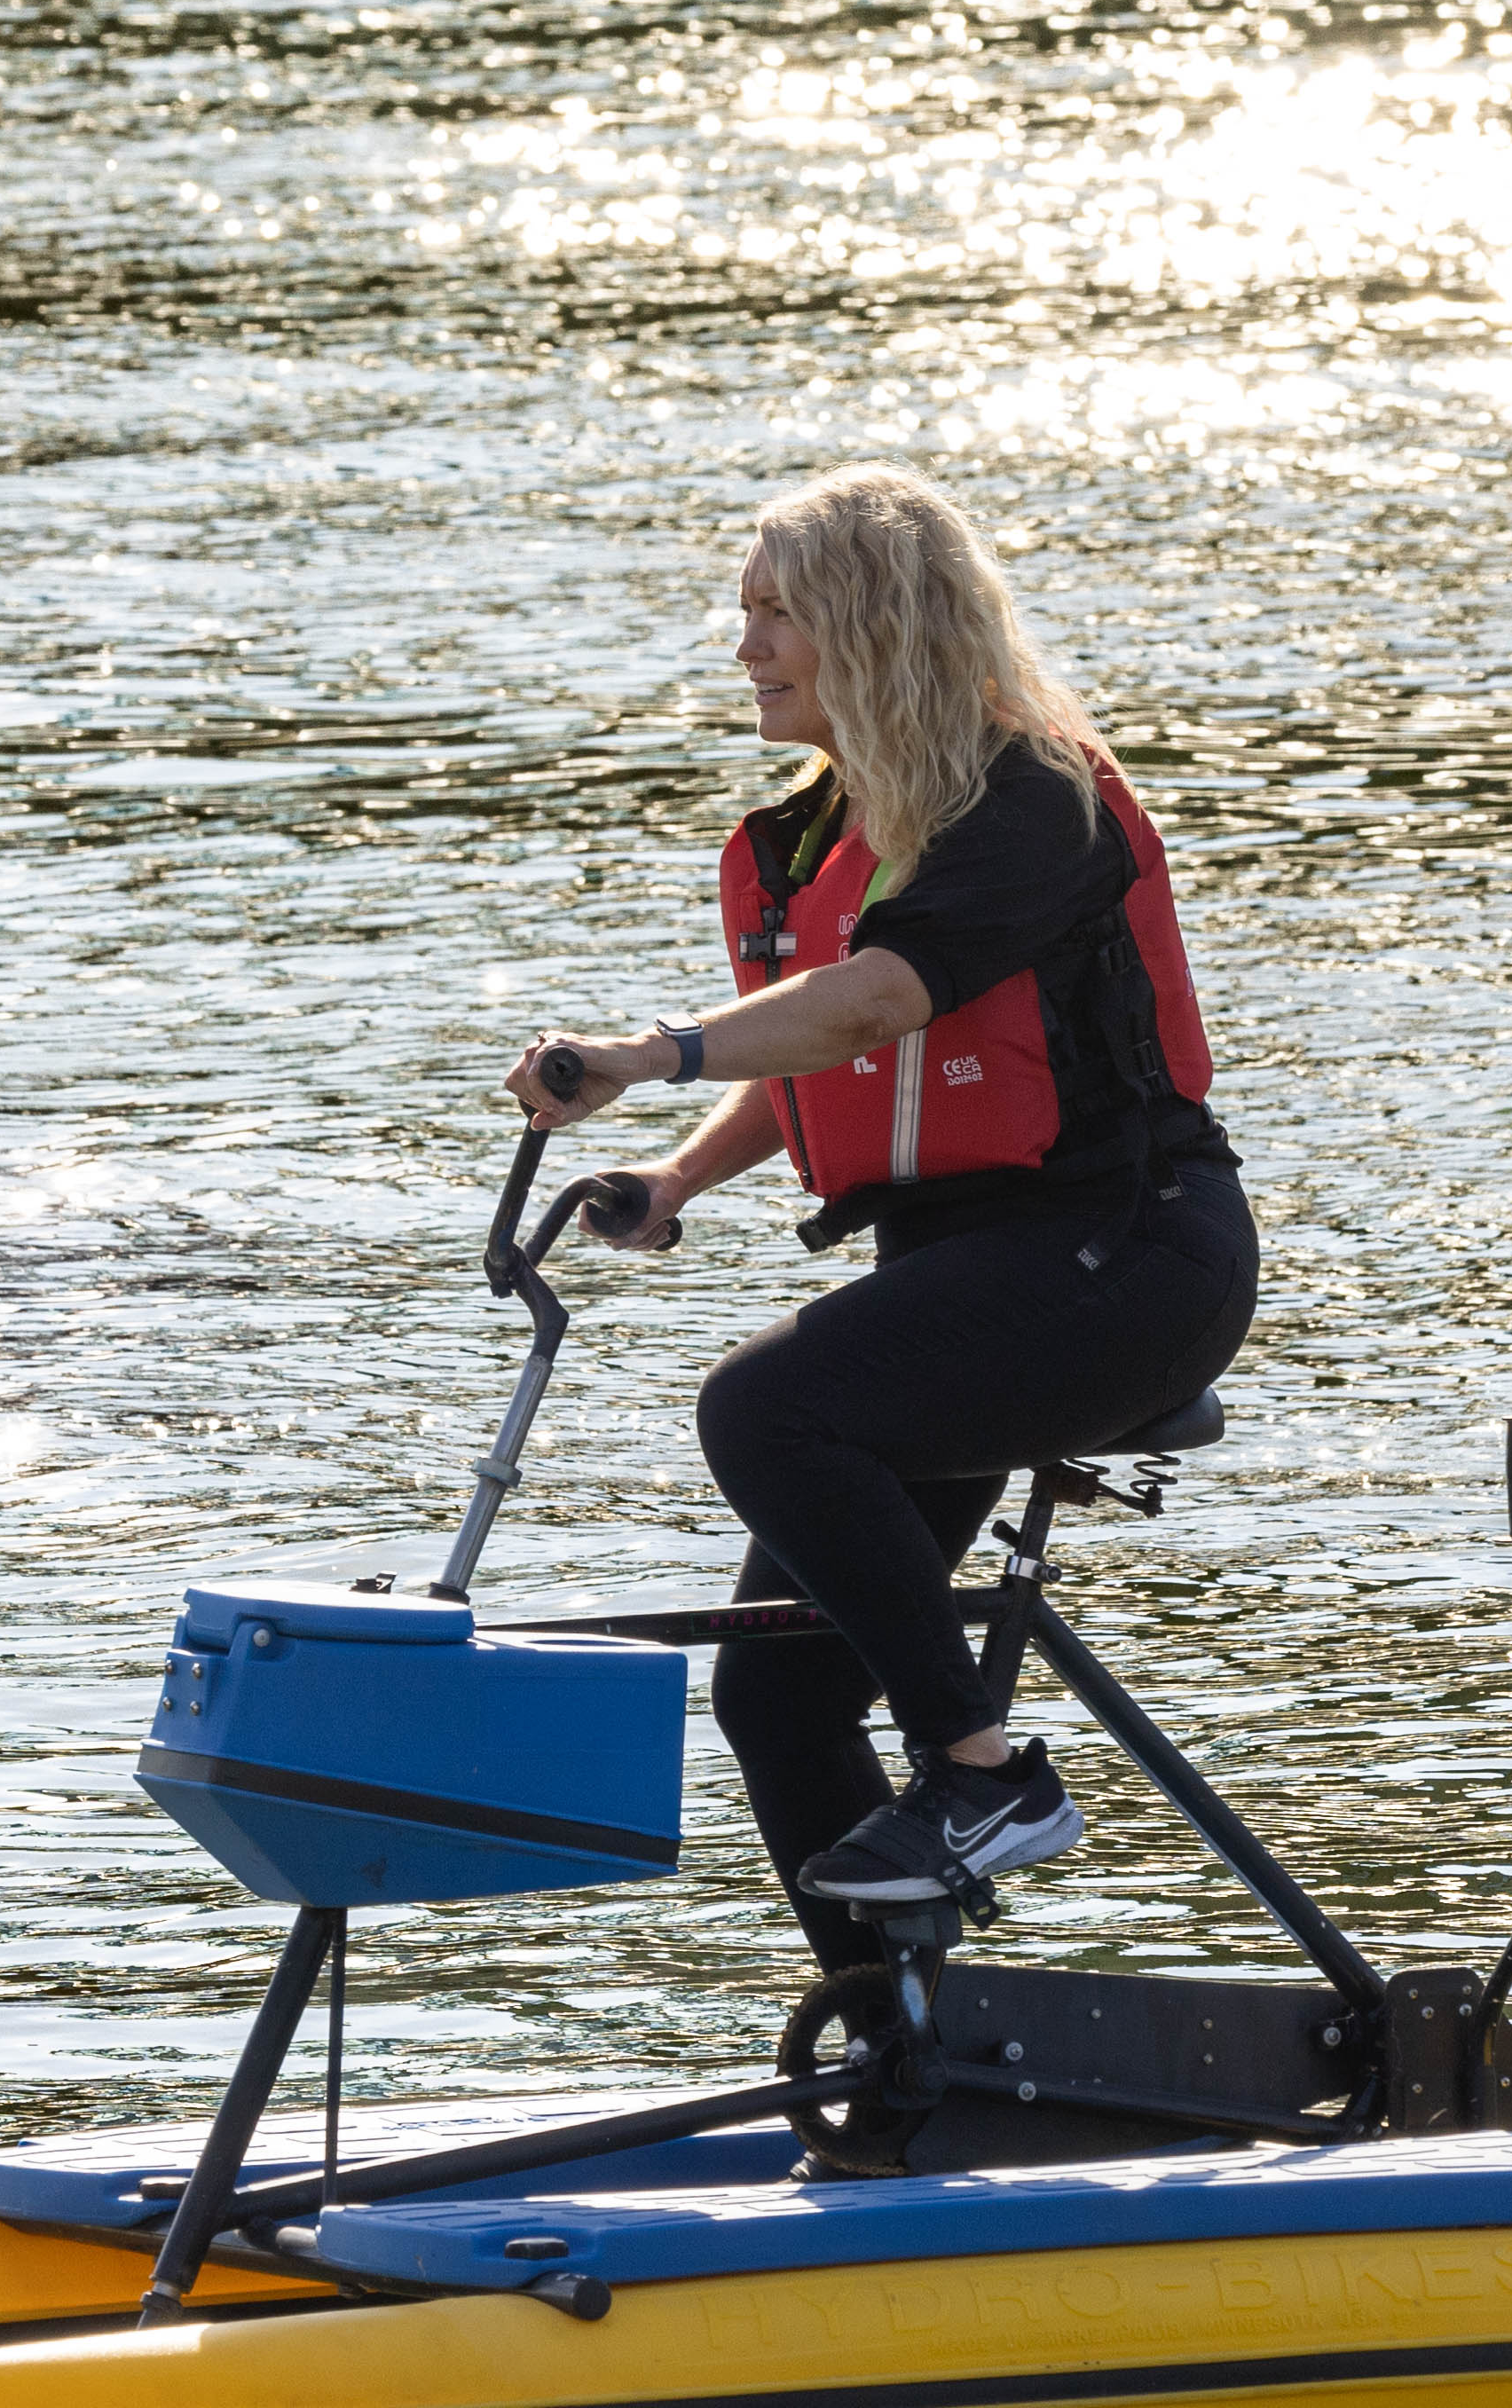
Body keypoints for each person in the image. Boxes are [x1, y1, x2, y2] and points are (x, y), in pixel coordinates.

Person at [503, 463, 1251, 1953]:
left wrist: (648, 1059)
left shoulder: (1035, 798)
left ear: (870, 620)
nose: (746, 649)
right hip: (969, 1276)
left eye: (777, 613)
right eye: (745, 613)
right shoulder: (806, 838)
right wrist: (674, 1177)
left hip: (1129, 1259)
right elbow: (824, 1059)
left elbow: (879, 1002)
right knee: (777, 1690)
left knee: (767, 1409)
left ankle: (982, 1774)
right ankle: (905, 2044)